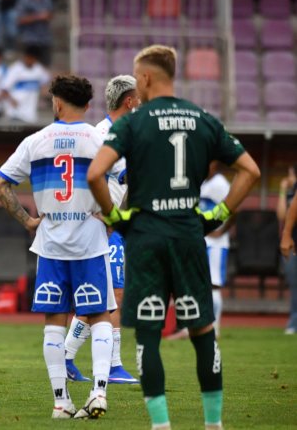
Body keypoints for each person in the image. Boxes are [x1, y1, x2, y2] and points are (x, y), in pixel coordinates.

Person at [86, 45, 260, 430]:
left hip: (146, 238)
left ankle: (161, 426)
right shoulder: (202, 119)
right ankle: (213, 424)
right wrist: (217, 215)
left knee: (148, 334)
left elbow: (95, 174)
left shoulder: (132, 123)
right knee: (202, 331)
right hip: (188, 235)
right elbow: (250, 170)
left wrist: (117, 217)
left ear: (145, 78)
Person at [0, 74, 117, 420]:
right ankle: (99, 392)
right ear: (88, 105)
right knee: (100, 315)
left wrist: (28, 221)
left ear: (57, 102)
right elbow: (128, 181)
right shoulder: (100, 139)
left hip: (50, 245)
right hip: (91, 243)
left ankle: (61, 402)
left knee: (54, 321)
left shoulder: (37, 141)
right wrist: (111, 217)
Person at [63, 76, 140, 385]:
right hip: (105, 225)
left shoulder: (123, 133)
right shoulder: (105, 135)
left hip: (116, 225)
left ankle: (67, 357)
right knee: (114, 295)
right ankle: (113, 365)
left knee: (101, 296)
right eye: (140, 98)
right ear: (130, 101)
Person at [199, 162, 233, 335]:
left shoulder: (221, 184)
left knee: (214, 284)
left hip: (217, 244)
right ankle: (204, 324)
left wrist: (220, 231)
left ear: (214, 164)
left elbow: (235, 208)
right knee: (201, 283)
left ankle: (215, 327)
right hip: (202, 239)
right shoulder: (202, 183)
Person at [0, 45, 51, 124]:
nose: (30, 61)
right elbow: (4, 89)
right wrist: (12, 100)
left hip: (30, 115)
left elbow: (46, 82)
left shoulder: (39, 70)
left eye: (32, 59)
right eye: (28, 58)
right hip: (15, 112)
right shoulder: (15, 69)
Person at [16, 0, 54, 66]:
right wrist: (38, 17)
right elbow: (20, 19)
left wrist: (47, 16)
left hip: (44, 38)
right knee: (30, 66)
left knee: (45, 65)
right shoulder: (24, 0)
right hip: (30, 38)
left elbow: (50, 14)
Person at [278, 165, 297, 335]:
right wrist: (283, 191)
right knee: (294, 284)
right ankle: (293, 320)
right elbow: (281, 216)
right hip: (293, 243)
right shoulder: (292, 194)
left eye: (290, 174)